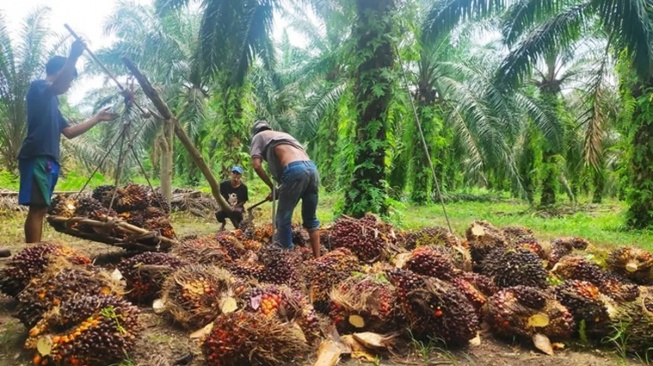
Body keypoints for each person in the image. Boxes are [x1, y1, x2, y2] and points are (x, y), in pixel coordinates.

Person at [18, 39, 118, 243]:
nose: (70, 84)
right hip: (37, 155)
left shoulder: (53, 103)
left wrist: (97, 118)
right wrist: (73, 56)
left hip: (49, 160)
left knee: (42, 207)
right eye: (71, 79)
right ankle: (33, 252)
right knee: (37, 208)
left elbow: (70, 132)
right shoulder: (39, 87)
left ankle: (35, 249)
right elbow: (60, 86)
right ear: (58, 71)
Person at [249, 120, 321, 258]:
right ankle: (318, 259)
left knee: (282, 219)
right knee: (310, 218)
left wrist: (272, 187)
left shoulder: (259, 136)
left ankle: (288, 260)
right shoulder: (283, 136)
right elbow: (298, 168)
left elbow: (257, 165)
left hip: (294, 170)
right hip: (312, 170)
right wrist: (278, 191)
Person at [215, 166, 249, 230]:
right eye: (234, 173)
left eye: (237, 174)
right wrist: (223, 205)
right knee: (218, 214)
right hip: (226, 206)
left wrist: (236, 206)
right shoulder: (224, 185)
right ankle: (223, 223)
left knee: (238, 216)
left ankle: (238, 225)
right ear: (231, 174)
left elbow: (244, 200)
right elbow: (220, 196)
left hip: (237, 207)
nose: (235, 175)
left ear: (240, 176)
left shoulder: (243, 188)